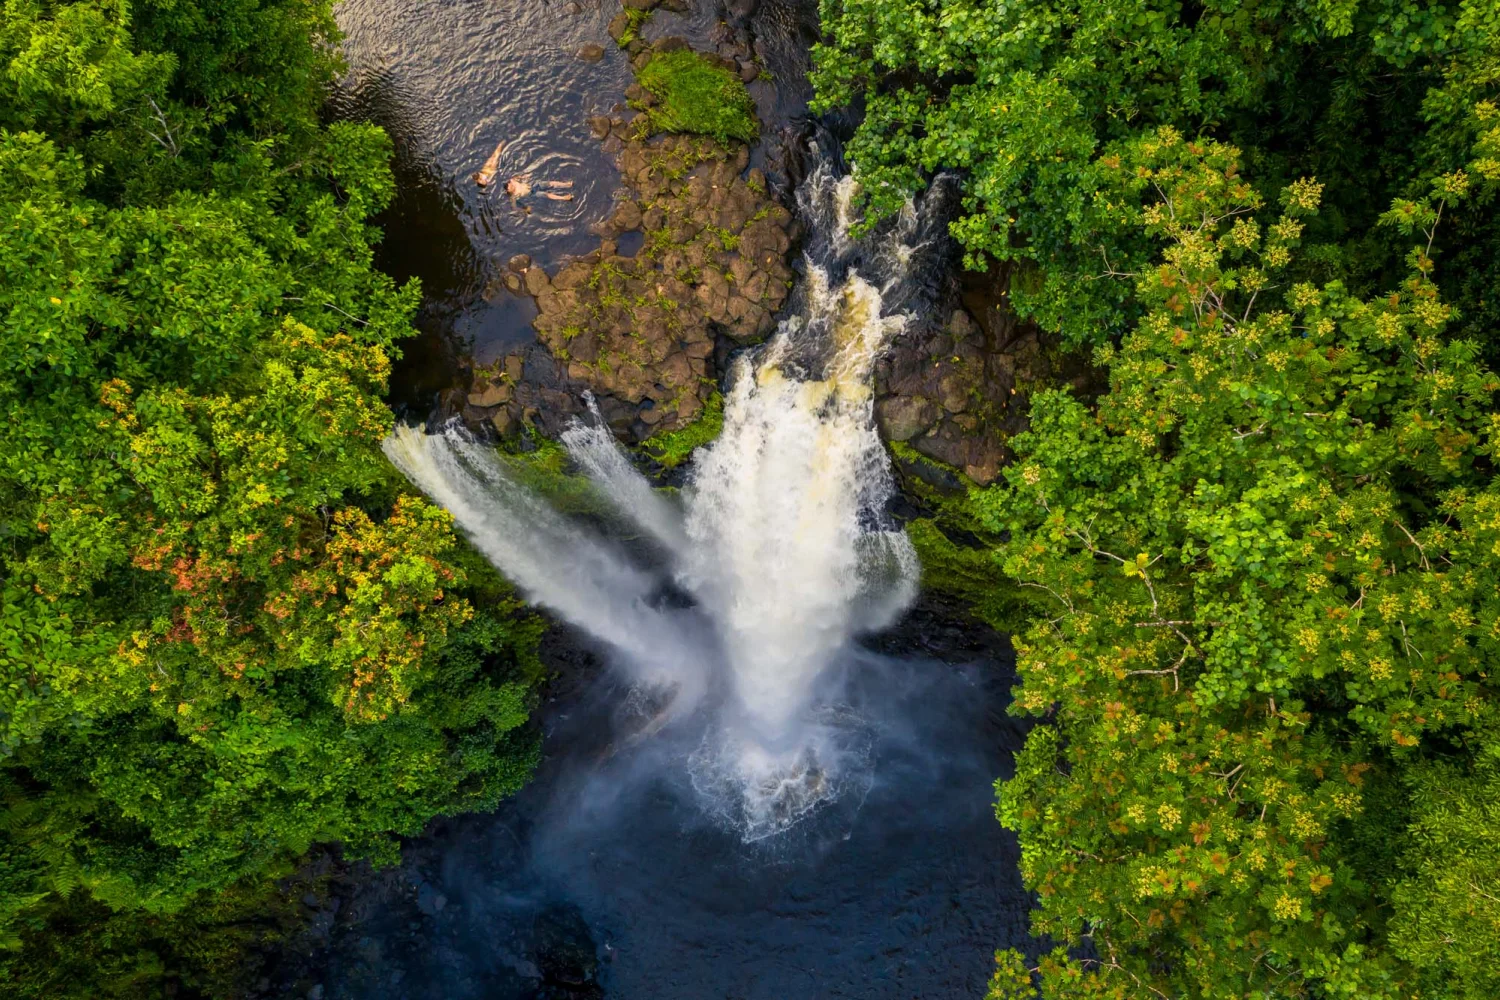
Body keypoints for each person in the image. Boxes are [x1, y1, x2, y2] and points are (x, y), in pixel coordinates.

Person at [506, 174, 574, 212]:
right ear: (508, 191)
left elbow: (516, 177)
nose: (511, 187)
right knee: (548, 195)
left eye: (510, 185)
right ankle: (564, 198)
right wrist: (525, 209)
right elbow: (514, 207)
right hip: (532, 194)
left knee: (551, 183)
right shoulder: (513, 196)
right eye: (509, 188)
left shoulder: (513, 181)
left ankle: (567, 184)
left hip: (534, 185)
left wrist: (524, 176)